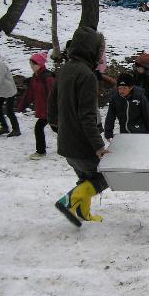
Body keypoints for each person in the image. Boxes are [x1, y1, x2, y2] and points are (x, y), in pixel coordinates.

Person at [48, 26, 109, 227]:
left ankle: (83, 212)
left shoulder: (64, 69)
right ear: (91, 50)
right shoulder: (87, 75)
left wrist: (57, 127)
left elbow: (52, 103)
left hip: (67, 142)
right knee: (103, 178)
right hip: (82, 144)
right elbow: (87, 116)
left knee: (85, 178)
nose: (101, 55)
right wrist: (98, 146)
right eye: (100, 51)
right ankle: (68, 201)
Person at [17, 52, 55, 159]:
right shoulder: (35, 77)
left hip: (50, 110)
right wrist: (22, 106)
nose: (32, 67)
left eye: (34, 64)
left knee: (41, 128)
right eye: (30, 64)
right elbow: (30, 93)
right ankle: (68, 146)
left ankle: (41, 151)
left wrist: (54, 110)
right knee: (56, 129)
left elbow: (54, 95)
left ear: (40, 64)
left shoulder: (48, 78)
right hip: (44, 110)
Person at [104, 72, 149, 138]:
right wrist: (108, 133)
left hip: (140, 133)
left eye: (124, 88)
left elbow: (148, 117)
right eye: (119, 88)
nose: (121, 91)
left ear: (131, 87)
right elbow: (110, 116)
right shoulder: (115, 98)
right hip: (125, 133)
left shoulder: (140, 97)